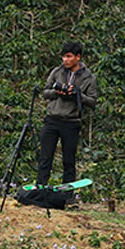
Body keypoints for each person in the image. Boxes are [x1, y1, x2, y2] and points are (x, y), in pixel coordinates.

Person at [37, 41, 98, 187]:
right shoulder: (57, 72)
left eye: (69, 57)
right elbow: (45, 93)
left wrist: (78, 94)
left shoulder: (88, 77)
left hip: (71, 122)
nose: (65, 60)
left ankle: (68, 196)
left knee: (69, 161)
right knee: (45, 158)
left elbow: (93, 102)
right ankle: (39, 190)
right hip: (52, 119)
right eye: (64, 57)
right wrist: (58, 92)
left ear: (78, 57)